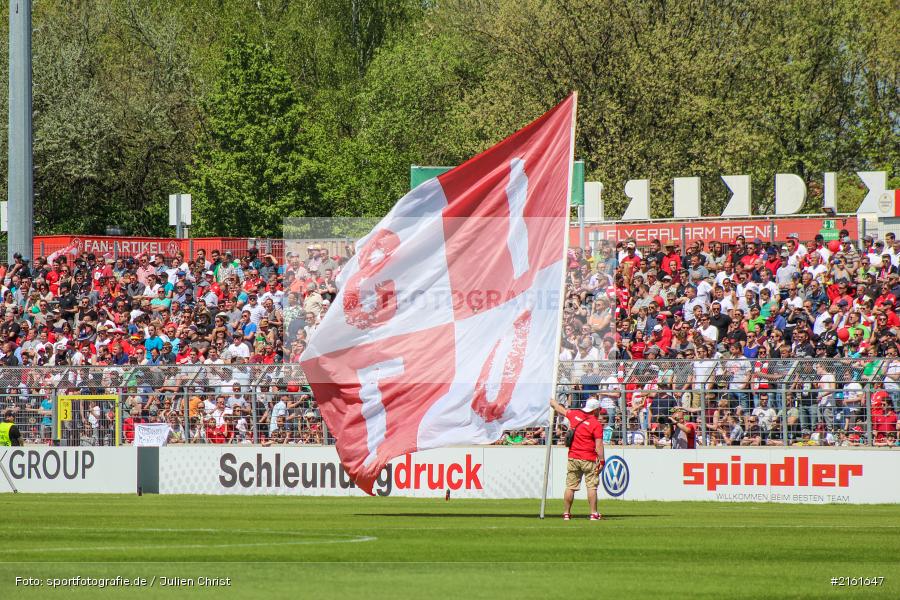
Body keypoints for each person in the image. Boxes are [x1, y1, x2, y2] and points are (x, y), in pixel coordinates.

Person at [550, 396, 605, 521]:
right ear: (595, 410)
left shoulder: (575, 415)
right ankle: (593, 513)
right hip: (589, 458)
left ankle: (566, 513)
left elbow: (560, 409)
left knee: (570, 486)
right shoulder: (596, 424)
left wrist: (553, 402)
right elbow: (599, 445)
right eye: (599, 410)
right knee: (591, 486)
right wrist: (602, 461)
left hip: (573, 457)